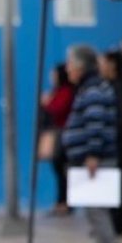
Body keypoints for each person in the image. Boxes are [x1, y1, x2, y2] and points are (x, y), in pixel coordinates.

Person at [62, 45, 122, 243]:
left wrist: (93, 155)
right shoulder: (89, 87)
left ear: (80, 66)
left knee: (98, 213)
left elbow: (95, 123)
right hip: (89, 159)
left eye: (70, 63)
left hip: (96, 161)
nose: (67, 68)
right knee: (93, 214)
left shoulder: (94, 90)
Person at [98, 49, 122, 234]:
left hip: (116, 140)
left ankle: (118, 221)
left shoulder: (119, 86)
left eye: (103, 62)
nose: (100, 66)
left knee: (116, 178)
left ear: (112, 65)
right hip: (113, 139)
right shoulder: (108, 85)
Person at [41, 63, 76, 216]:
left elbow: (58, 109)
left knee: (63, 169)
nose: (52, 78)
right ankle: (61, 201)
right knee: (58, 168)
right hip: (57, 133)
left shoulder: (66, 91)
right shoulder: (57, 91)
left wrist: (47, 102)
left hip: (64, 134)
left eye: (54, 75)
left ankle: (66, 202)